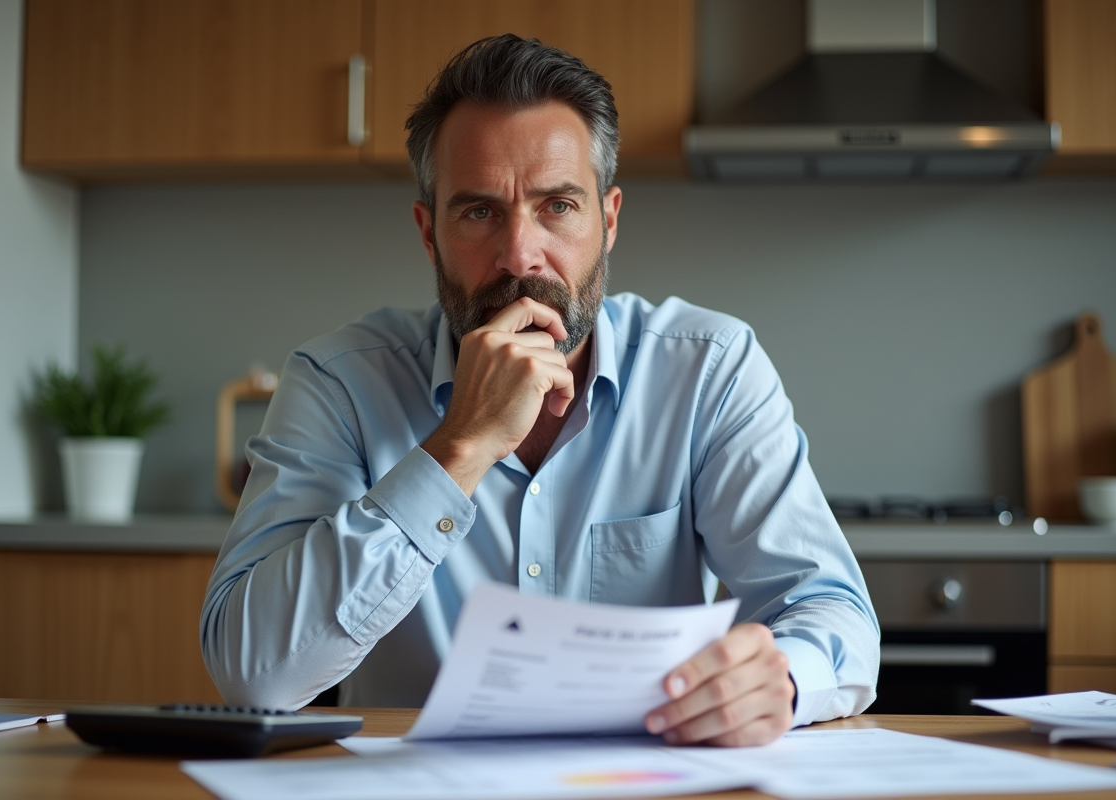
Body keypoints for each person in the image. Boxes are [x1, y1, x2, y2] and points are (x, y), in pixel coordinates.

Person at [201, 34, 878, 747]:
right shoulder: (338, 382)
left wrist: (782, 678)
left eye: (557, 207)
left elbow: (830, 610)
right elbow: (254, 677)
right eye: (479, 212)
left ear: (608, 220)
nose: (520, 255)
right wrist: (457, 450)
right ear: (429, 233)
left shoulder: (708, 370)